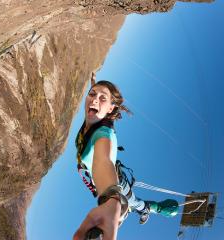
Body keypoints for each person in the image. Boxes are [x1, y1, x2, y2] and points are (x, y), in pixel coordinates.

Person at [73, 75, 178, 240]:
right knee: (132, 204)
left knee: (135, 204)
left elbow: (103, 160)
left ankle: (155, 209)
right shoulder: (92, 121)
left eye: (102, 99)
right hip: (107, 183)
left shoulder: (103, 134)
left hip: (118, 185)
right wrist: (94, 84)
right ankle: (137, 209)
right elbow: (96, 97)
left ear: (110, 108)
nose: (94, 100)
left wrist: (112, 200)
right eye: (92, 94)